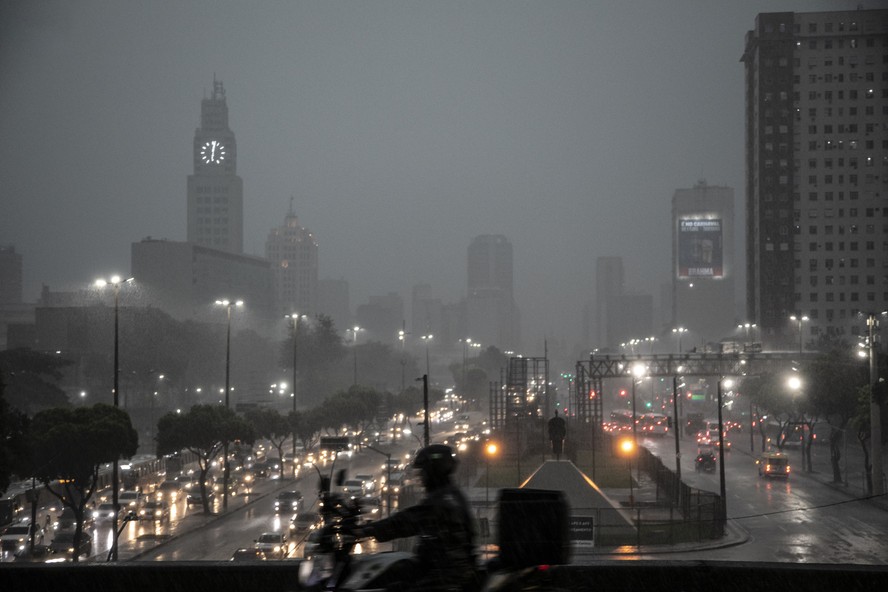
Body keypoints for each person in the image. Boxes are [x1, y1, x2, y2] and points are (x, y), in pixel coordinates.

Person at [351, 444, 477, 592]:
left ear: (433, 471)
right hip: (441, 569)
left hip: (444, 578)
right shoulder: (450, 495)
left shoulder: (442, 501)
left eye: (423, 472)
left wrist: (366, 530)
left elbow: (406, 521)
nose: (421, 478)